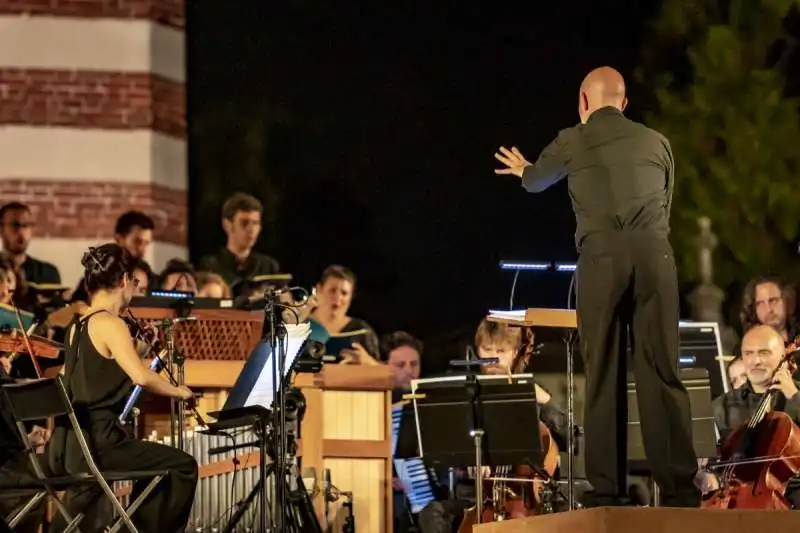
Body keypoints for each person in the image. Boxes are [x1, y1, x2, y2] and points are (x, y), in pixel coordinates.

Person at [494, 66, 699, 507]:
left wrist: (526, 169)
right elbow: (665, 200)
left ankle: (607, 489)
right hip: (655, 255)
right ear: (624, 104)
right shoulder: (657, 142)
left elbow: (535, 182)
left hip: (602, 258)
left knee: (604, 370)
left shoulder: (572, 138)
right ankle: (680, 489)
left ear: (584, 102)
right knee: (662, 369)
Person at [46, 243, 198, 533]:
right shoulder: (111, 323)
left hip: (72, 446)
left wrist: (139, 348)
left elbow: (104, 372)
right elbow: (140, 377)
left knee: (154, 464)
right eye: (135, 282)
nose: (134, 289)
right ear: (123, 280)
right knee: (182, 466)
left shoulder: (78, 326)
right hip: (101, 445)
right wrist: (179, 391)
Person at [703, 324, 800, 507]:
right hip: (733, 496)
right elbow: (706, 459)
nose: (756, 361)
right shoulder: (722, 406)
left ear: (782, 357)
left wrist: (794, 396)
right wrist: (707, 475)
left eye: (764, 353)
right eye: (749, 353)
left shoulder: (796, 394)